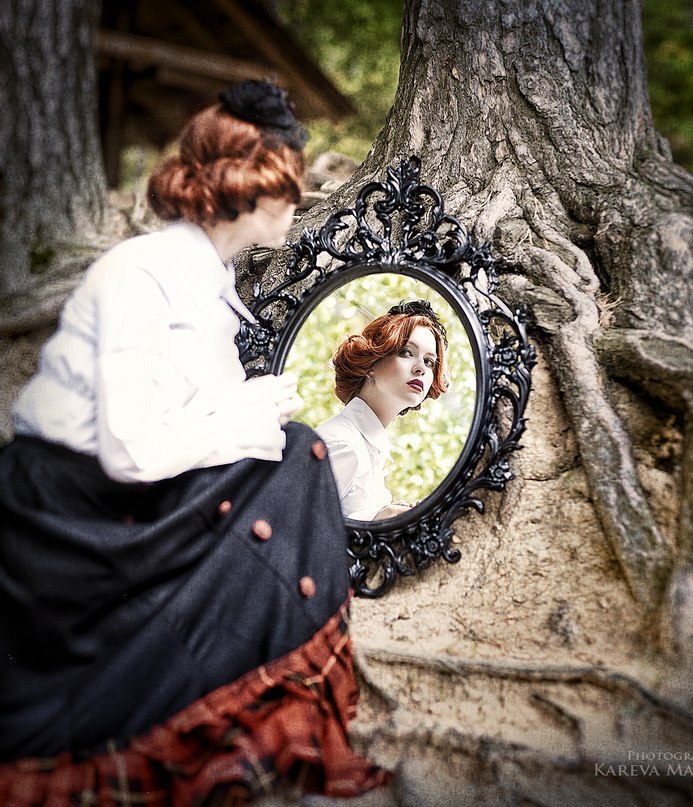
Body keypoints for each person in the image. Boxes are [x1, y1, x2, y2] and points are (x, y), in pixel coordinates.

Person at [0, 79, 386, 804]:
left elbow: (181, 426)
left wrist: (245, 414)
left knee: (296, 454)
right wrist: (244, 414)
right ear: (252, 186)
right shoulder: (140, 274)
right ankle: (188, 701)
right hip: (66, 520)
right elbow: (131, 452)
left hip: (120, 499)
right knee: (296, 454)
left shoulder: (209, 281)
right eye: (289, 186)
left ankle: (258, 697)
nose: (297, 203)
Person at [316, 300, 450, 521]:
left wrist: (390, 516)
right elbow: (292, 527)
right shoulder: (342, 443)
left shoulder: (369, 447)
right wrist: (376, 519)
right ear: (370, 365)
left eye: (430, 362)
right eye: (407, 352)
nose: (421, 369)